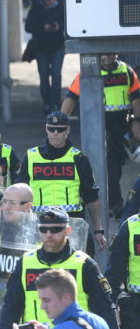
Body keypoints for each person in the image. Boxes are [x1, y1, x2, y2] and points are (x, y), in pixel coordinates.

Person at [61, 53, 140, 217]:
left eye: (110, 54)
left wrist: (136, 121)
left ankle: (112, 203)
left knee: (116, 166)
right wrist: (61, 122)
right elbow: (71, 97)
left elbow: (136, 97)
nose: (107, 57)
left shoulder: (127, 71)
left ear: (116, 54)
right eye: (103, 54)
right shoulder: (88, 72)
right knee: (109, 167)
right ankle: (116, 205)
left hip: (122, 125)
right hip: (100, 125)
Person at [15, 111, 107, 253]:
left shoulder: (79, 159)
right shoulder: (31, 157)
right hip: (40, 226)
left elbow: (91, 197)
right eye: (51, 129)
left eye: (60, 129)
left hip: (72, 226)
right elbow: (19, 194)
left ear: (68, 130)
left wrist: (98, 229)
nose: (55, 133)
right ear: (46, 129)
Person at [25, 0, 65, 114]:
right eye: (47, 0)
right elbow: (28, 27)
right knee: (43, 76)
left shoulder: (60, 8)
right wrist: (43, 27)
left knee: (56, 75)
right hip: (41, 48)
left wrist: (59, 26)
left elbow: (68, 25)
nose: (49, 2)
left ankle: (56, 104)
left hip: (57, 46)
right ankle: (47, 103)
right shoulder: (37, 9)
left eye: (51, 0)